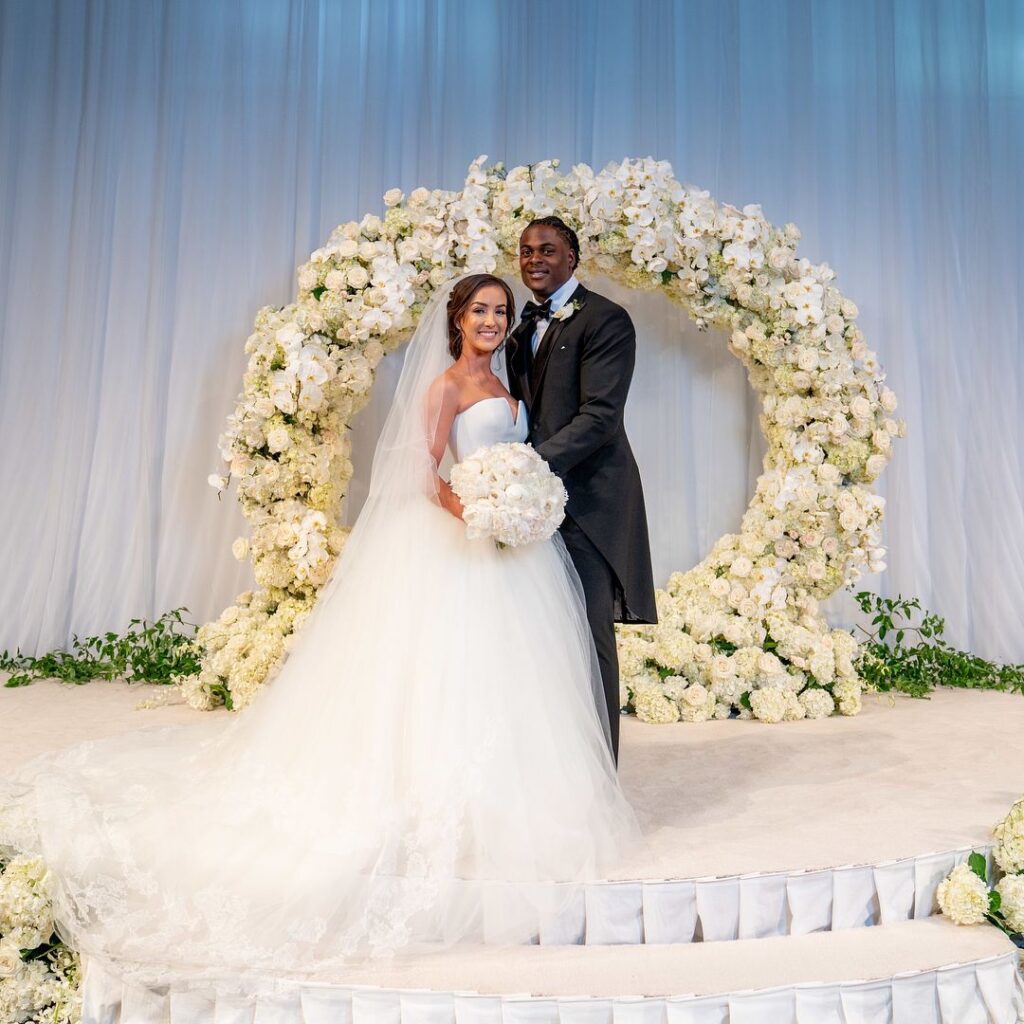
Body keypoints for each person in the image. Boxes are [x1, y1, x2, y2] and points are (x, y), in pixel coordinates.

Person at [0, 274, 641, 1002]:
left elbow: (516, 456)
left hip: (512, 550)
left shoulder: (511, 381)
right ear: (457, 320)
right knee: (444, 676)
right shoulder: (443, 388)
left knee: (513, 681)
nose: (492, 321)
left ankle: (501, 803)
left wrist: (516, 507)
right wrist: (475, 510)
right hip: (460, 542)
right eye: (480, 311)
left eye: (499, 311)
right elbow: (423, 471)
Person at [506, 217, 658, 761]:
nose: (534, 260)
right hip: (530, 511)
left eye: (547, 250)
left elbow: (599, 417)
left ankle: (601, 776)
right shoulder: (520, 329)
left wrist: (525, 467)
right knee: (542, 640)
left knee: (591, 642)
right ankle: (554, 770)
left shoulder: (607, 320)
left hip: (591, 505)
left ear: (573, 258)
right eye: (525, 252)